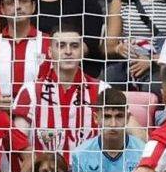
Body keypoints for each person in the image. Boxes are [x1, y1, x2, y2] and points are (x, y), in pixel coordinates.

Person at [13, 23, 108, 164]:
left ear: (82, 51)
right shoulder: (31, 91)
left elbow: (130, 131)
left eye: (74, 46)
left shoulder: (101, 90)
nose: (68, 51)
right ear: (50, 52)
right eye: (61, 46)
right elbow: (19, 141)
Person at [0, 0, 50, 107]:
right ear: (2, 9)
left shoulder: (49, 44)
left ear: (33, 6)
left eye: (23, 0)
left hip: (39, 115)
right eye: (10, 2)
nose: (17, 6)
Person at [72, 89, 146, 172]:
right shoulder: (80, 155)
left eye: (119, 116)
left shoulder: (144, 152)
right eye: (107, 117)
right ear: (96, 118)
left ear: (127, 118)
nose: (113, 124)